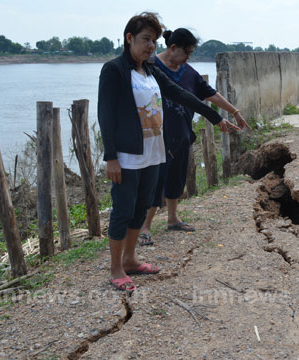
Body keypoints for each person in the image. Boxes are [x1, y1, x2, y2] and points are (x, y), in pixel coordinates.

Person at [98, 13, 239, 291]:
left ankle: (130, 260)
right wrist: (111, 157)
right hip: (127, 157)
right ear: (129, 39)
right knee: (123, 210)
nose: (150, 46)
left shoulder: (149, 70)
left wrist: (215, 118)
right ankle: (115, 269)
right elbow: (106, 115)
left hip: (153, 152)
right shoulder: (113, 70)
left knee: (141, 208)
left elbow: (181, 94)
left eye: (153, 40)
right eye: (144, 40)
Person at [138, 28, 250, 246]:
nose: (188, 57)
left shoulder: (188, 72)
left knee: (177, 176)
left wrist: (234, 111)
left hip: (181, 135)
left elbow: (210, 94)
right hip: (156, 136)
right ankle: (145, 226)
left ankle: (172, 218)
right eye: (186, 52)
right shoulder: (151, 68)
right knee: (156, 180)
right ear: (172, 48)